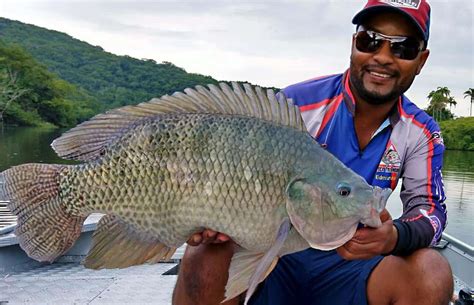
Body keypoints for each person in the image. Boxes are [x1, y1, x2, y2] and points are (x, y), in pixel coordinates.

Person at [173, 1, 454, 304]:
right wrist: (203, 217)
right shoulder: (294, 107)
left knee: (432, 272)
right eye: (370, 41)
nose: (382, 57)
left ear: (421, 60)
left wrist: (393, 236)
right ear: (353, 44)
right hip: (274, 254)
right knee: (203, 254)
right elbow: (224, 170)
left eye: (403, 48)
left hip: (354, 265)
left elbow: (430, 212)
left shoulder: (421, 132)